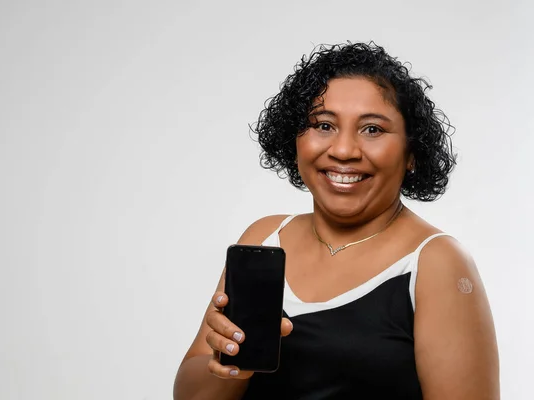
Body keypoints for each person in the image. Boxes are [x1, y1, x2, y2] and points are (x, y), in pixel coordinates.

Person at [173, 42, 499, 399]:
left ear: (411, 153)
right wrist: (229, 366)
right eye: (324, 125)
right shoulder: (264, 237)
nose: (343, 150)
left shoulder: (436, 262)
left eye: (372, 129)